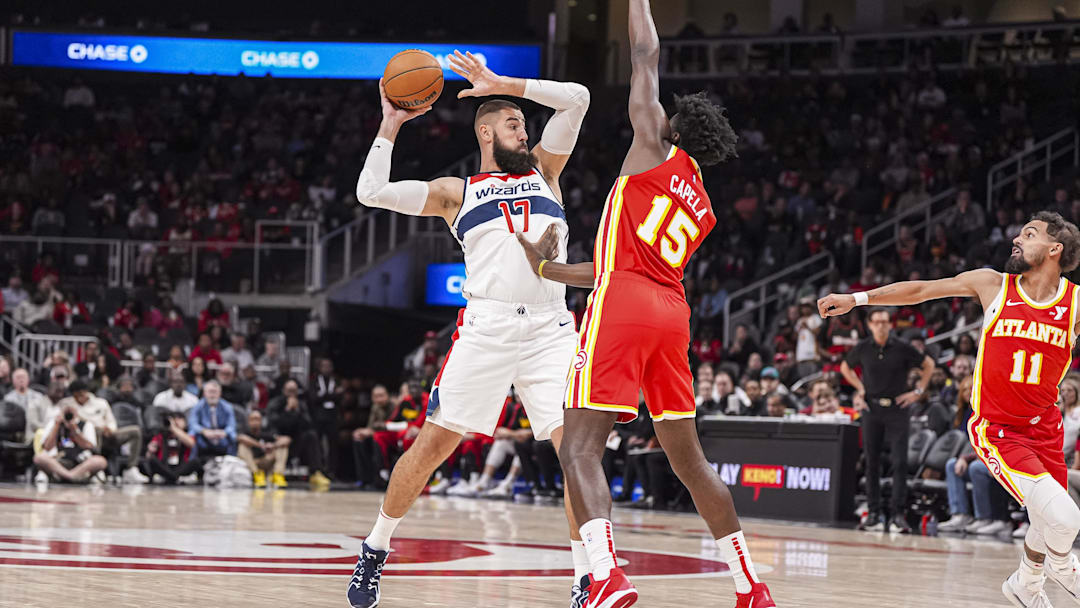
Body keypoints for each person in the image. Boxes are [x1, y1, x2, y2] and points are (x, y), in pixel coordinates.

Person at [515, 1, 772, 605]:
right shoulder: (702, 202)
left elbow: (645, 55)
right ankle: (749, 585)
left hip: (624, 305)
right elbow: (615, 265)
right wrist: (548, 268)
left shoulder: (653, 146)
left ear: (674, 130)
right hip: (669, 311)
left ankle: (605, 575)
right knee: (690, 461)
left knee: (579, 446)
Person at [348, 43, 592, 608]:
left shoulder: (547, 173)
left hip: (553, 331)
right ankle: (375, 549)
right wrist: (389, 124)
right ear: (486, 135)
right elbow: (370, 192)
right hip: (487, 329)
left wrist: (504, 82)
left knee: (576, 453)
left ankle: (588, 577)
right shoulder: (454, 194)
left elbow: (576, 100)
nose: (524, 133)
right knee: (431, 448)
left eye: (525, 125)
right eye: (512, 124)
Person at [819, 211, 1080, 607]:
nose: (1017, 238)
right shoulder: (994, 284)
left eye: (1029, 234)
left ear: (1054, 248)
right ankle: (1061, 567)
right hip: (999, 430)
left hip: (1045, 427)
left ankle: (1026, 583)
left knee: (1048, 521)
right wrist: (857, 299)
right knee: (1065, 519)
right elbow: (922, 290)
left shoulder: (1075, 303)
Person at [840, 308, 934, 533]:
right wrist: (860, 388)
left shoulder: (901, 347)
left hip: (897, 409)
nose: (881, 326)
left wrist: (918, 391)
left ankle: (897, 515)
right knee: (871, 462)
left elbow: (928, 364)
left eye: (885, 322)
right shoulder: (863, 348)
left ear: (890, 325)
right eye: (877, 322)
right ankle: (873, 514)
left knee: (900, 462)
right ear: (870, 325)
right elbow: (845, 367)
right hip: (871, 408)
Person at [57, 379, 148, 484]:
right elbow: (69, 420)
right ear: (73, 394)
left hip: (109, 434)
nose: (80, 397)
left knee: (135, 431)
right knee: (96, 430)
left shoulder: (101, 403)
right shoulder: (67, 404)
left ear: (86, 391)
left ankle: (131, 469)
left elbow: (111, 421)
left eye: (82, 393)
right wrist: (100, 427)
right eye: (76, 395)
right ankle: (97, 470)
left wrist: (110, 429)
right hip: (86, 436)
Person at [32, 403, 107, 485]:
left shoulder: (86, 424)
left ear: (76, 412)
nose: (68, 416)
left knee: (100, 461)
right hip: (57, 462)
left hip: (80, 463)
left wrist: (74, 429)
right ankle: (71, 477)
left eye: (71, 412)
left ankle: (66, 476)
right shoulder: (54, 423)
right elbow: (47, 447)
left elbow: (88, 446)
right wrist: (56, 425)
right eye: (66, 412)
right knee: (39, 457)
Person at [237, 410, 290, 488]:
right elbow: (241, 438)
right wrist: (260, 445)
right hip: (251, 463)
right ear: (248, 421)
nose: (255, 422)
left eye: (257, 419)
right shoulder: (244, 430)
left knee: (282, 447)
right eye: (253, 419)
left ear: (261, 421)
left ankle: (278, 475)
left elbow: (286, 439)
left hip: (265, 460)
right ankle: (257, 475)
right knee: (242, 446)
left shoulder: (267, 431)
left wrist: (273, 445)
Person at [144, 412, 200, 484]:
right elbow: (148, 455)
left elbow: (191, 444)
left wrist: (174, 428)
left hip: (181, 467)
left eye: (179, 419)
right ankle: (174, 477)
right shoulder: (161, 435)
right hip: (165, 467)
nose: (176, 421)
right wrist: (150, 450)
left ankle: (170, 477)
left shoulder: (188, 434)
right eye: (174, 419)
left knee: (196, 461)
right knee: (151, 460)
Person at [186, 380, 238, 459]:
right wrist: (204, 431)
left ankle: (231, 463)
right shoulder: (198, 406)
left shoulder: (227, 407)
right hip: (204, 437)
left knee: (233, 437)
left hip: (221, 436)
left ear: (220, 393)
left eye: (215, 392)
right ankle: (192, 466)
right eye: (210, 392)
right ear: (204, 393)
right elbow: (193, 423)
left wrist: (224, 432)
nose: (212, 395)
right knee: (192, 436)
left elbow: (232, 425)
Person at [6, 368, 51, 443]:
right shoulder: (8, 399)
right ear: (13, 380)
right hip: (17, 432)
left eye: (23, 377)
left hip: (37, 429)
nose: (21, 380)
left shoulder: (38, 396)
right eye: (18, 377)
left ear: (28, 379)